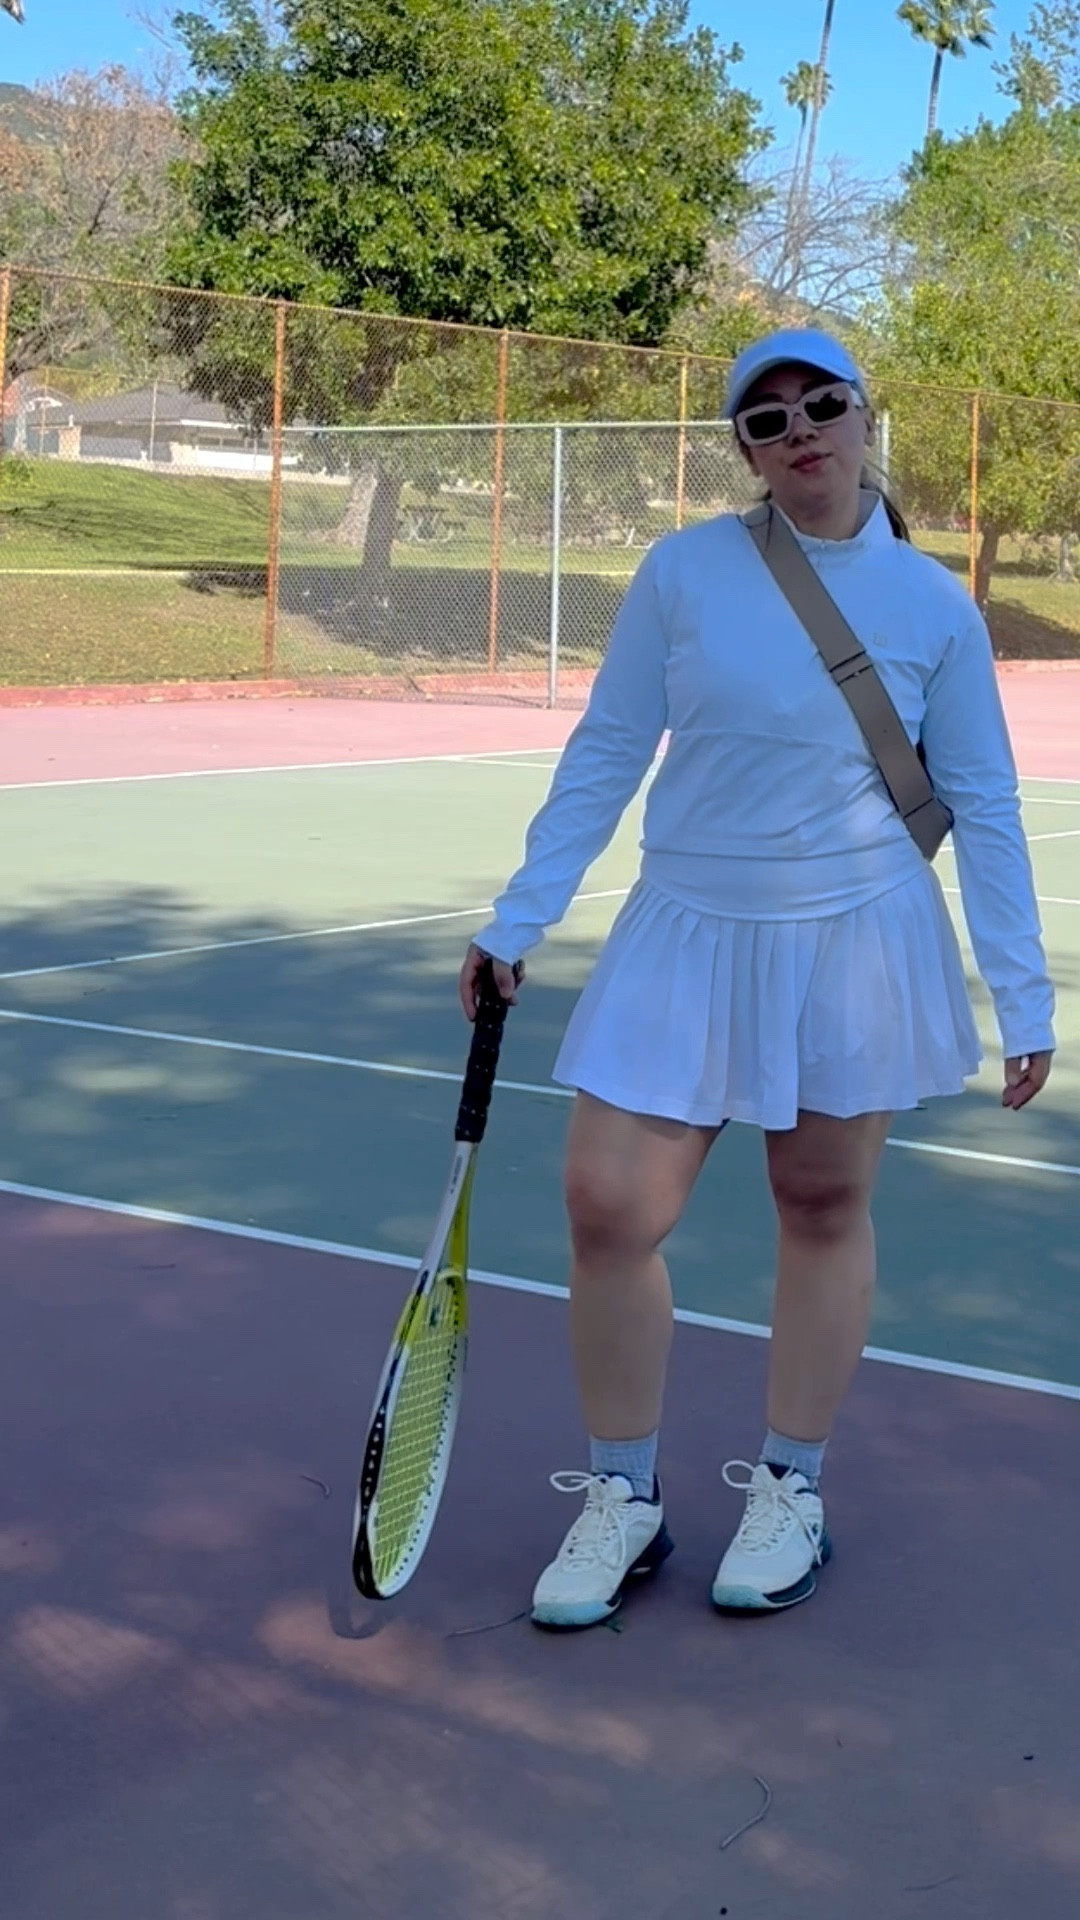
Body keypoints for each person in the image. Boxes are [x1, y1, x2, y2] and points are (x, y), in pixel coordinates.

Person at [459, 327, 1055, 1630]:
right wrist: (519, 920)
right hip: (686, 928)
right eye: (765, 421)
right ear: (745, 449)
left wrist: (1026, 993)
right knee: (608, 1208)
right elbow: (607, 750)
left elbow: (986, 805)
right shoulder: (684, 573)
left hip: (856, 937)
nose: (799, 435)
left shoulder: (933, 607)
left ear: (862, 417)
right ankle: (625, 1498)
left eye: (820, 406)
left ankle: (792, 1486)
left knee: (822, 1203)